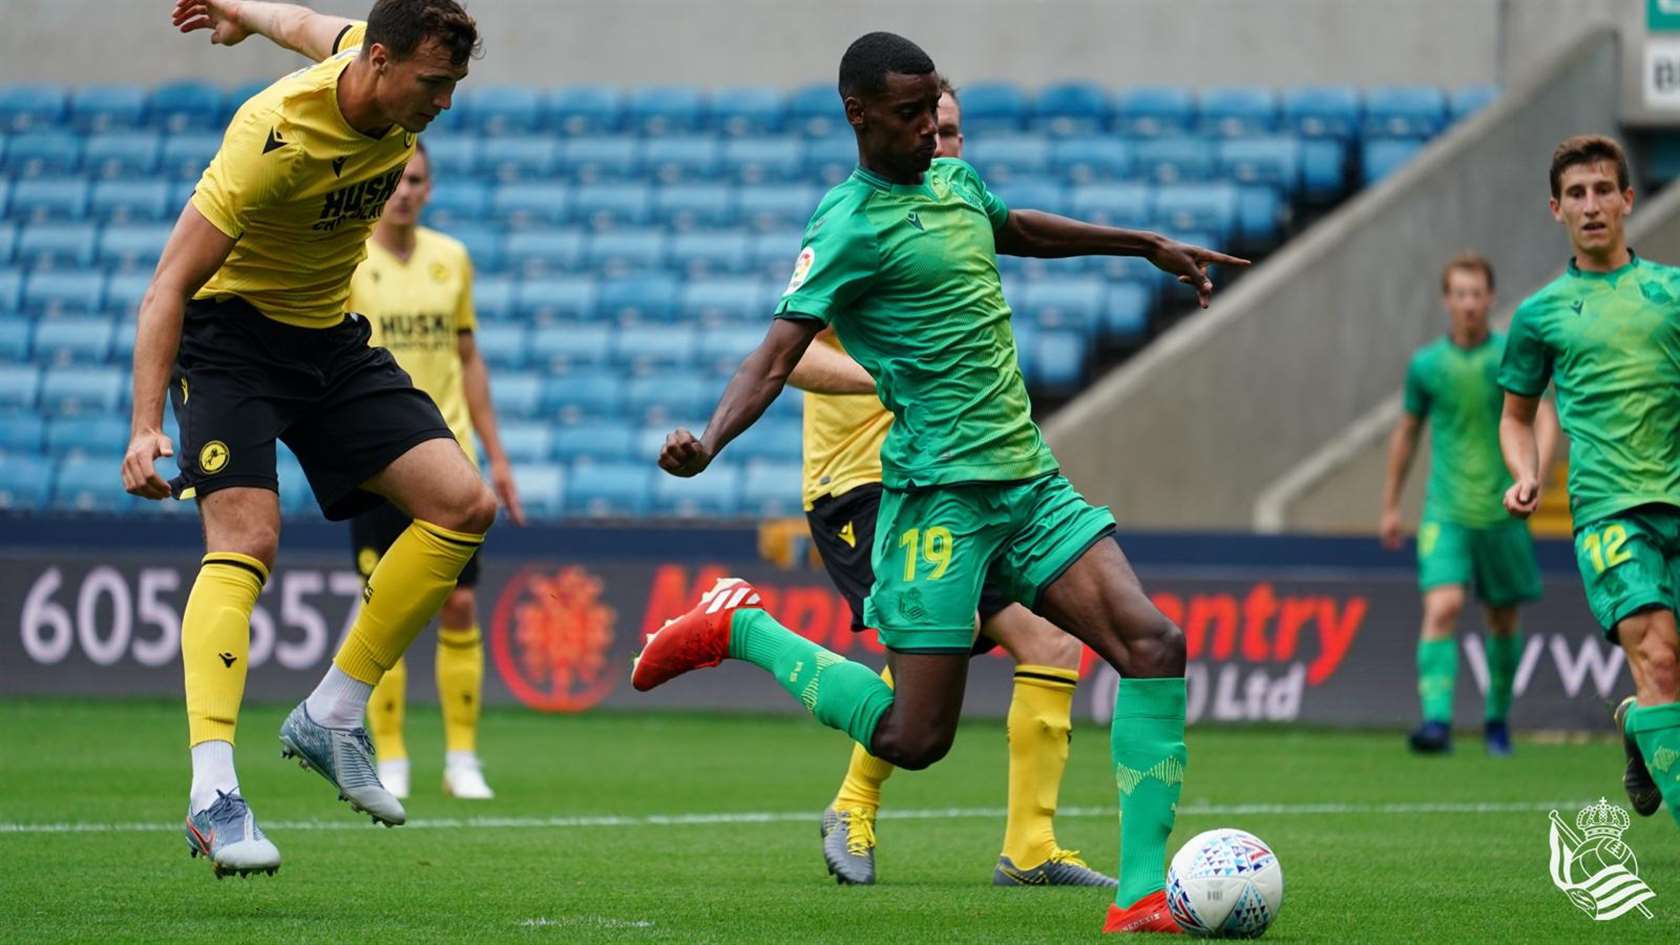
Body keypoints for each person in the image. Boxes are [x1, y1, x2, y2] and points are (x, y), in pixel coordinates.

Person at [634, 32, 1246, 933]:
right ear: (860, 115)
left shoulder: (956, 185)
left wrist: (1143, 244)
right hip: (937, 501)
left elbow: (1020, 229)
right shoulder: (845, 224)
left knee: (1153, 646)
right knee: (915, 740)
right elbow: (775, 355)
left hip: (1028, 482)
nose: (932, 129)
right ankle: (742, 626)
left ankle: (1142, 896)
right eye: (913, 114)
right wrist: (712, 442)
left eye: (937, 112)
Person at [129, 0, 492, 878]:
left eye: (454, 85)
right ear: (380, 61)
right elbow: (170, 282)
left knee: (463, 504)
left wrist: (238, 12)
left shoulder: (369, 66)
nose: (445, 103)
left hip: (327, 336)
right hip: (231, 342)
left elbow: (302, 22)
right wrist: (144, 425)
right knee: (248, 538)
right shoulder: (272, 133)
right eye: (434, 83)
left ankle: (331, 713)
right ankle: (213, 793)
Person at [790, 78, 1111, 888]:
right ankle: (853, 804)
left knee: (1050, 641)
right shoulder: (860, 228)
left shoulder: (955, 217)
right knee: (955, 628)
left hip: (960, 484)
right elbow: (790, 353)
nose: (944, 141)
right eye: (933, 125)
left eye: (954, 130)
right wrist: (888, 375)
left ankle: (1030, 848)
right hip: (864, 482)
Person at [1498, 134, 1680, 823]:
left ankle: (1637, 727)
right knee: (1660, 661)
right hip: (1609, 512)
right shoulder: (1540, 314)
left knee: (1670, 683)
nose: (1592, 204)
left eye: (1604, 189)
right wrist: (1527, 471)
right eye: (1576, 193)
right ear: (1556, 210)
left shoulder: (1671, 292)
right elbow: (1516, 416)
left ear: (1629, 200)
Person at [344, 140, 525, 801]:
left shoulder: (453, 260)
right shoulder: (350, 257)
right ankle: (390, 755)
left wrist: (497, 455)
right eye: (394, 178)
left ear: (430, 187)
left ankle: (462, 758)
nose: (404, 190)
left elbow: (469, 359)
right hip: (376, 461)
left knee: (458, 601)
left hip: (449, 459)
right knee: (384, 606)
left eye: (415, 179)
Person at [1379, 254, 1557, 756]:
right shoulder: (1427, 365)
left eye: (1477, 293)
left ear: (1491, 298)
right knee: (1444, 605)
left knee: (1502, 620)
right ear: (1446, 300)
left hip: (1503, 509)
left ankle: (1497, 720)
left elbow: (1544, 416)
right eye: (1460, 294)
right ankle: (1436, 722)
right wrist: (1391, 505)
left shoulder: (1511, 354)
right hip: (1447, 511)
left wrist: (1532, 477)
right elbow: (1407, 435)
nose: (1469, 304)